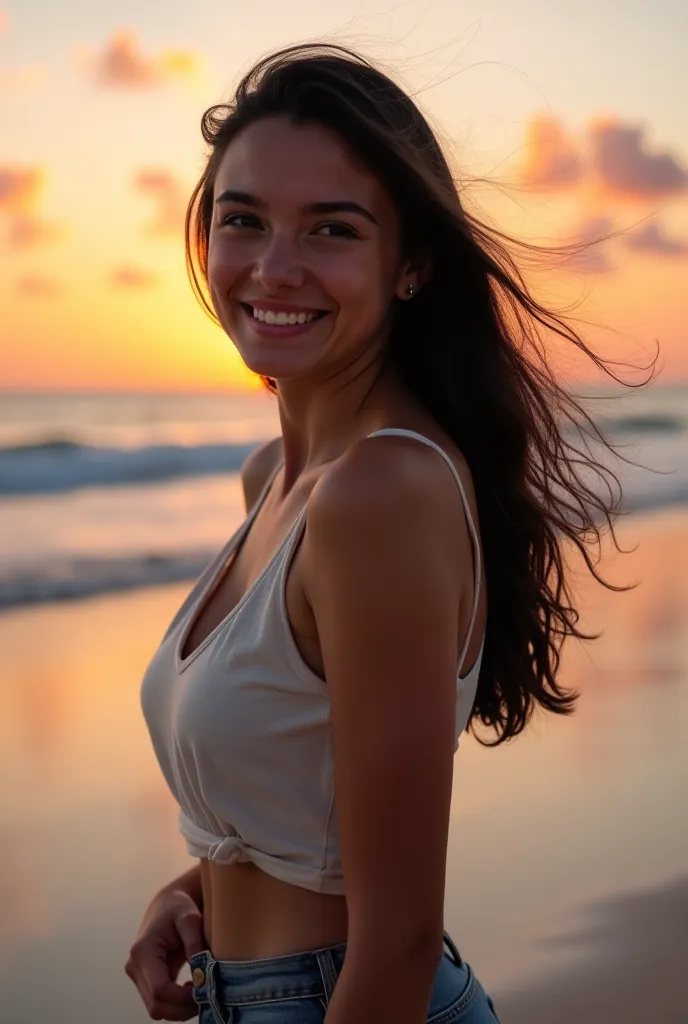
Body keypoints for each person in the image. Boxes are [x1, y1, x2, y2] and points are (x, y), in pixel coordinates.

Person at [126, 43, 632, 1024]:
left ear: (410, 266)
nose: (275, 266)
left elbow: (394, 937)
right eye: (244, 220)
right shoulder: (275, 478)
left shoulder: (381, 494)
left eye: (331, 229)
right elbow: (300, 805)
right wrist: (184, 897)